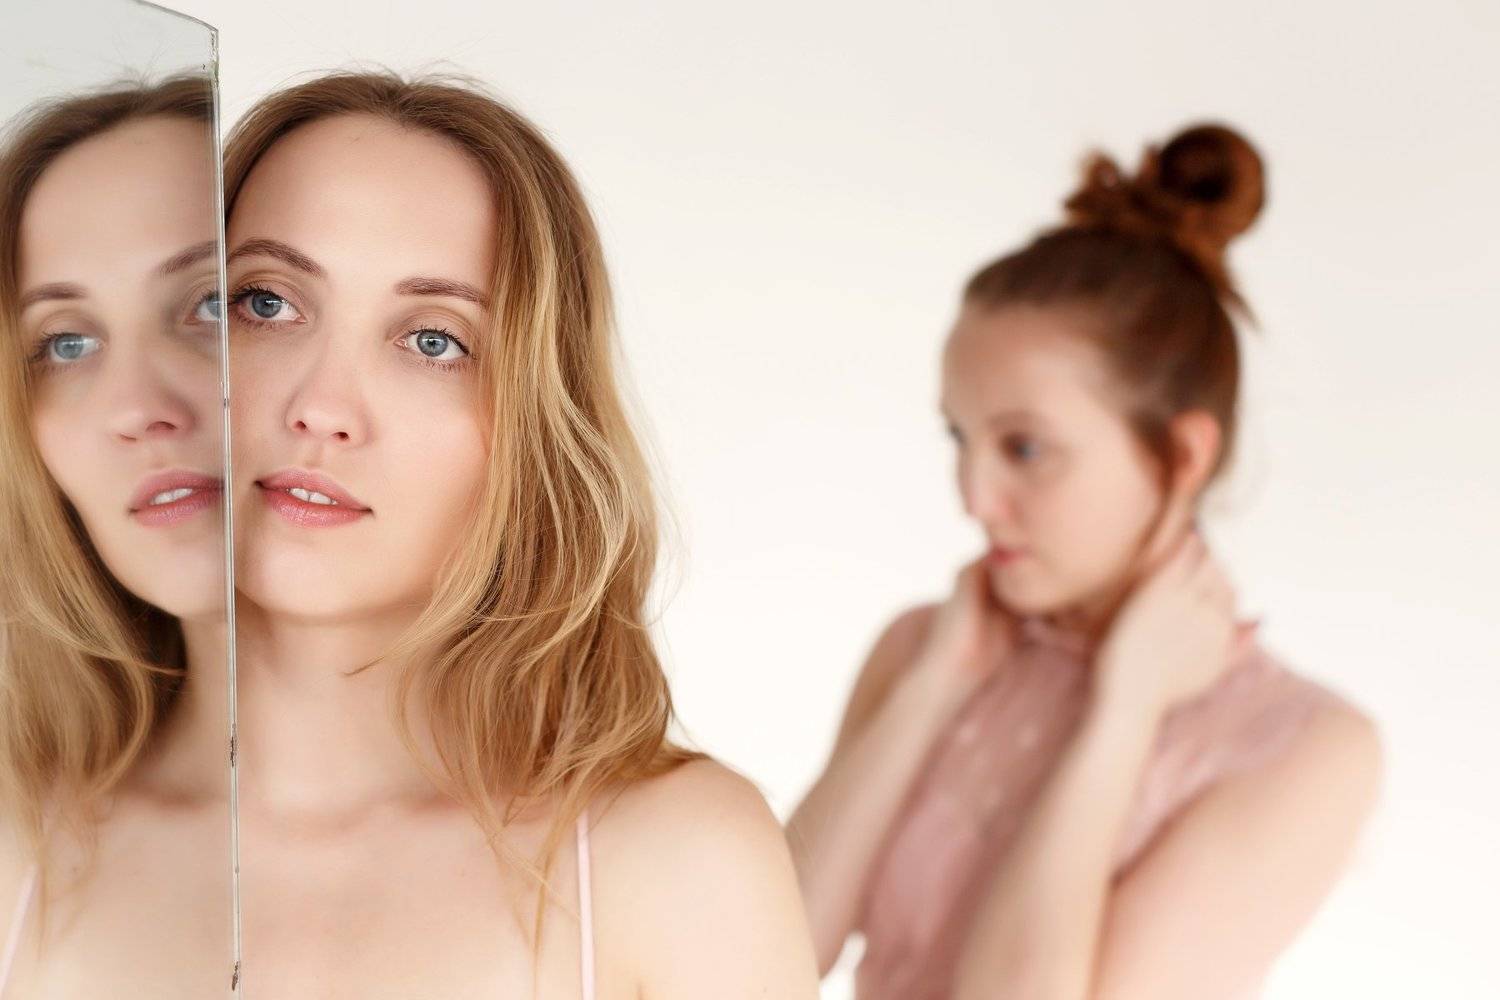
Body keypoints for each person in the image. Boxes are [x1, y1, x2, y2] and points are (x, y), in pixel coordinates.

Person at [218, 70, 817, 997]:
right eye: (266, 302)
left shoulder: (673, 862)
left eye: (433, 341)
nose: (321, 407)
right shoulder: (26, 822)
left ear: (532, 431)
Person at [787, 123, 1384, 1000]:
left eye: (1025, 448)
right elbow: (754, 961)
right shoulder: (921, 647)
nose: (973, 497)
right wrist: (931, 691)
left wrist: (1125, 710)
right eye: (959, 437)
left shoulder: (1305, 749)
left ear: (1182, 456)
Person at [0, 75, 233, 997]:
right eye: (66, 343)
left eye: (213, 303)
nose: (136, 408)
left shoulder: (639, 857)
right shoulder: (17, 853)